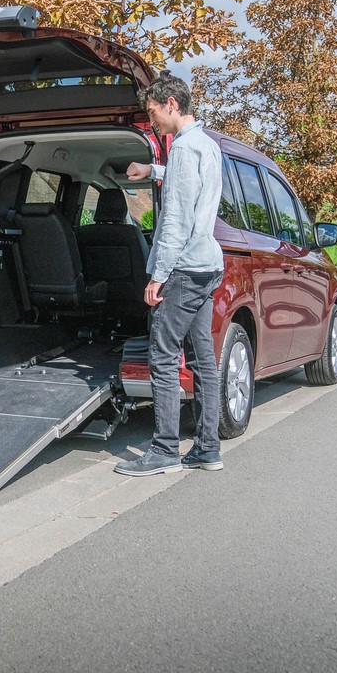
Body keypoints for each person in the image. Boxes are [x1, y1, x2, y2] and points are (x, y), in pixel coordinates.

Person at [115, 71, 226, 477]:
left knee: (161, 357)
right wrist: (153, 172)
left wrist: (157, 275)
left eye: (153, 112)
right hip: (207, 266)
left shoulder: (182, 148)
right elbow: (192, 190)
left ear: (172, 105)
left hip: (182, 269)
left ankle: (163, 450)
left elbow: (176, 217)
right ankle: (207, 449)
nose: (152, 121)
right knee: (203, 361)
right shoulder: (207, 145)